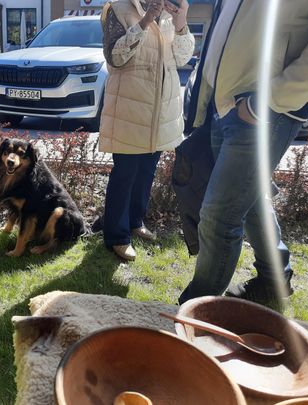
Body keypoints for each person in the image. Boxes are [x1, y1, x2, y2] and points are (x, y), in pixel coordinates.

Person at [179, 0, 308, 308]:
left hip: (265, 108)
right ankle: (273, 280)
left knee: (219, 216)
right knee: (250, 199)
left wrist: (268, 100)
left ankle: (196, 311)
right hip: (227, 104)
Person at [99, 0, 194, 260]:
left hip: (161, 111)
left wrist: (181, 21)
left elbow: (182, 58)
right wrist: (145, 21)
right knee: (125, 173)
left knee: (146, 171)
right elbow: (115, 57)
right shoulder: (118, 8)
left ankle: (134, 221)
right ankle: (117, 236)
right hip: (130, 105)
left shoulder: (169, 14)